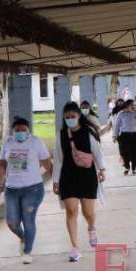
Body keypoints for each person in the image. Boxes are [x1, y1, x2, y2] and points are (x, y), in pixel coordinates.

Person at [52, 101, 106, 262]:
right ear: (63, 118)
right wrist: (56, 180)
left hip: (87, 176)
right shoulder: (61, 135)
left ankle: (91, 227)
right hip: (68, 177)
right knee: (71, 210)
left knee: (88, 212)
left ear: (79, 116)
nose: (70, 119)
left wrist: (102, 170)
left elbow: (97, 152)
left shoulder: (88, 132)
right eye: (67, 117)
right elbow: (58, 159)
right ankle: (75, 247)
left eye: (73, 116)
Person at [0, 116, 51, 265]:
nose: (20, 133)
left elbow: (47, 163)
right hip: (11, 189)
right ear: (13, 131)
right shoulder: (8, 142)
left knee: (28, 220)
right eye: (17, 130)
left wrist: (57, 182)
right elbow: (2, 164)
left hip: (33, 189)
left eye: (23, 130)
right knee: (12, 222)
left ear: (28, 131)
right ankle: (23, 237)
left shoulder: (36, 142)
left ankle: (27, 251)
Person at [113, 98, 136, 175]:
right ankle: (127, 167)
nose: (133, 106)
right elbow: (117, 125)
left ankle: (134, 169)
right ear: (126, 105)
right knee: (124, 152)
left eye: (133, 105)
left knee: (135, 153)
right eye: (131, 105)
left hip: (135, 135)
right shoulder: (121, 113)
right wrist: (115, 136)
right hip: (124, 135)